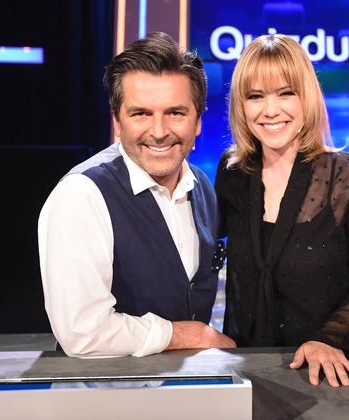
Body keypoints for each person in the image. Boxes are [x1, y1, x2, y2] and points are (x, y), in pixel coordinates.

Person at [38, 32, 236, 357]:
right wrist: (182, 334)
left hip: (193, 385)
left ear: (198, 121)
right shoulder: (82, 194)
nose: (159, 132)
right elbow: (82, 332)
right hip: (103, 388)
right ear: (117, 121)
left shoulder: (202, 186)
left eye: (175, 113)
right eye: (141, 114)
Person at [215, 34, 349, 387]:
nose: (270, 110)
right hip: (247, 371)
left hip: (325, 371)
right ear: (241, 105)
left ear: (306, 97)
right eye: (255, 96)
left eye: (285, 93)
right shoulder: (233, 171)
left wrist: (328, 338)